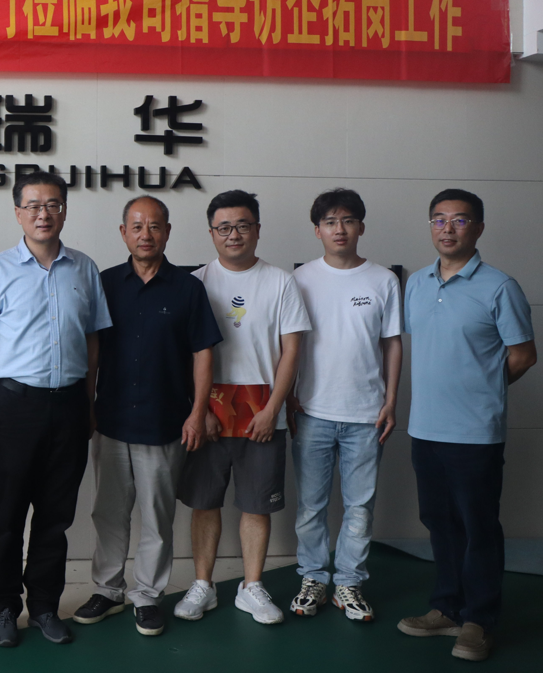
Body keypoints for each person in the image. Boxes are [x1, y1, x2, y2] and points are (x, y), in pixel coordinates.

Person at [0, 170, 112, 649]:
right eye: (33, 205)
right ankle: (5, 607)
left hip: (69, 405)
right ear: (17, 213)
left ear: (64, 211)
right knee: (8, 514)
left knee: (56, 515)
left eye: (52, 205)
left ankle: (45, 606)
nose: (43, 214)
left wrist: (89, 401)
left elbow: (93, 340)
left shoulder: (84, 268)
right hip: (14, 405)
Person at [397, 189, 536, 663]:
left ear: (478, 228)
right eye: (439, 219)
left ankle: (479, 619)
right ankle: (447, 608)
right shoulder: (417, 284)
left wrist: (482, 389)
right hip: (425, 429)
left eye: (459, 220)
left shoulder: (500, 287)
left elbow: (523, 355)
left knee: (478, 527)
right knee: (439, 523)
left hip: (474, 433)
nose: (448, 228)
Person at [73, 195, 221, 637]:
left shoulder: (188, 288)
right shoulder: (105, 284)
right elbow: (92, 351)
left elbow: (203, 354)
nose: (146, 234)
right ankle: (108, 590)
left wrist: (198, 412)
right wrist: (87, 405)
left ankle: (148, 595)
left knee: (157, 517)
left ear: (168, 232)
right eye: (136, 226)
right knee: (108, 514)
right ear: (123, 233)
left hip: (165, 423)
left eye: (154, 226)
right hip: (111, 421)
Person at [175, 189, 310, 626]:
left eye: (242, 225)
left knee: (257, 504)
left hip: (261, 409)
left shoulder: (281, 282)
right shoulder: (194, 282)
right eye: (224, 227)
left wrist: (272, 409)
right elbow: (183, 353)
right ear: (211, 232)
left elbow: (292, 350)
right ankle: (203, 584)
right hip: (208, 409)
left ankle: (251, 586)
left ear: (257, 229)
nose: (234, 234)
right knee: (204, 502)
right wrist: (200, 410)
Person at [288, 188, 402, 622]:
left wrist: (391, 400)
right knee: (310, 507)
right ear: (317, 230)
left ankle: (349, 583)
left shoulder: (383, 280)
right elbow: (289, 346)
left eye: (348, 220)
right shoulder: (300, 280)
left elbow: (392, 344)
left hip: (366, 415)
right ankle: (313, 578)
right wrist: (288, 398)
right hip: (312, 412)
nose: (340, 229)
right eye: (330, 222)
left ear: (361, 227)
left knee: (359, 509)